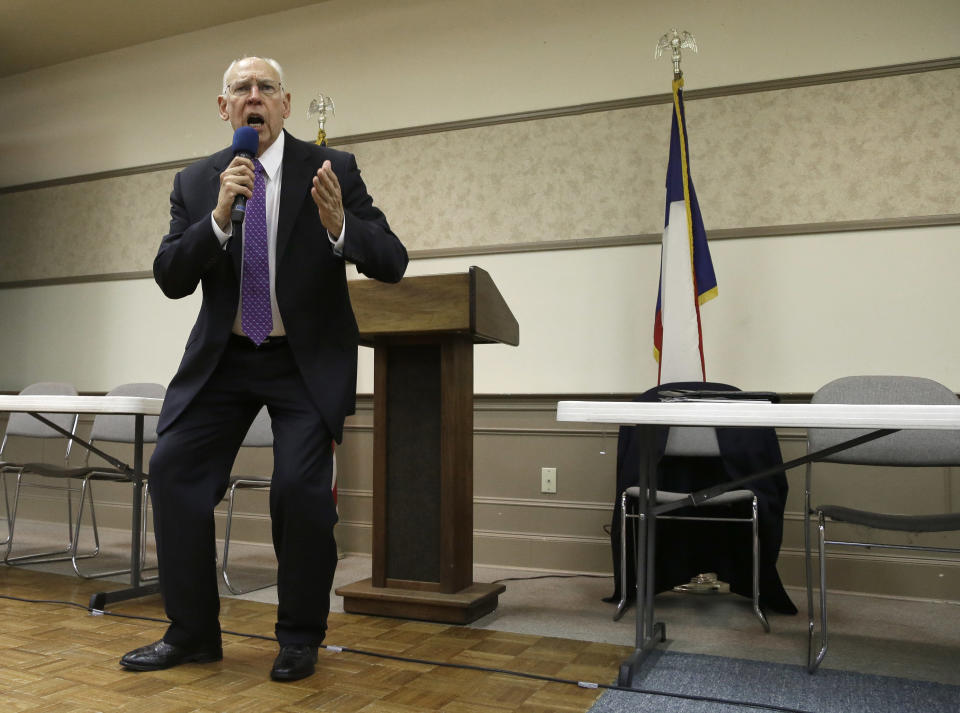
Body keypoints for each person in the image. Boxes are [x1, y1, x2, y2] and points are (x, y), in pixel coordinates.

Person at [120, 56, 407, 682]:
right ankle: (192, 633)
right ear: (224, 109)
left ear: (285, 103)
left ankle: (300, 635)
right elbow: (171, 278)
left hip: (303, 361)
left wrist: (341, 228)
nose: (254, 97)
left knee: (300, 492)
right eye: (241, 90)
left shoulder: (333, 171)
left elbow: (392, 260)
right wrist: (218, 219)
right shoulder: (197, 182)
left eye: (266, 88)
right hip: (223, 360)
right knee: (172, 472)